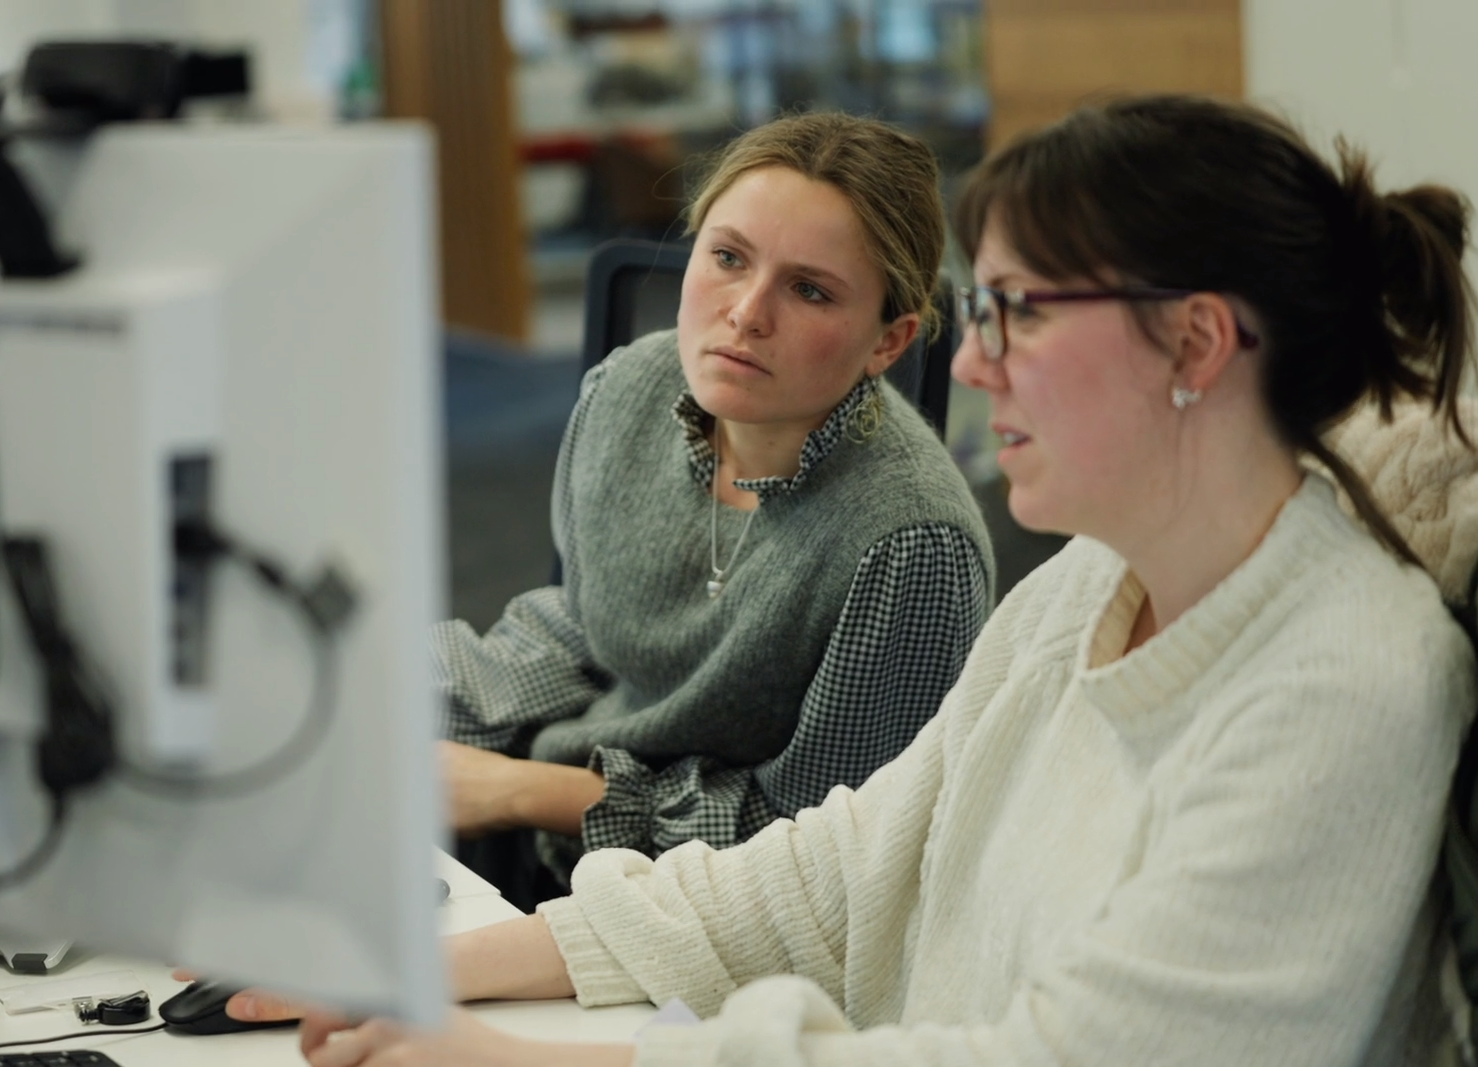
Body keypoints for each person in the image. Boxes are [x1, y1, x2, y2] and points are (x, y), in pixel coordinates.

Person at [272, 94, 1478, 1065]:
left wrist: (528, 1057)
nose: (982, 369)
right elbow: (844, 867)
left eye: (1016, 315)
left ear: (1195, 344)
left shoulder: (1343, 683)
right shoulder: (1087, 583)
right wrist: (431, 963)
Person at [437, 112, 994, 906]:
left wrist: (521, 790)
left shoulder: (909, 545)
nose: (747, 313)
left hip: (719, 926)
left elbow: (820, 857)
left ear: (888, 341)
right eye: (729, 257)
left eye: (808, 289)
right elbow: (581, 626)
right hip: (559, 853)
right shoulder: (629, 387)